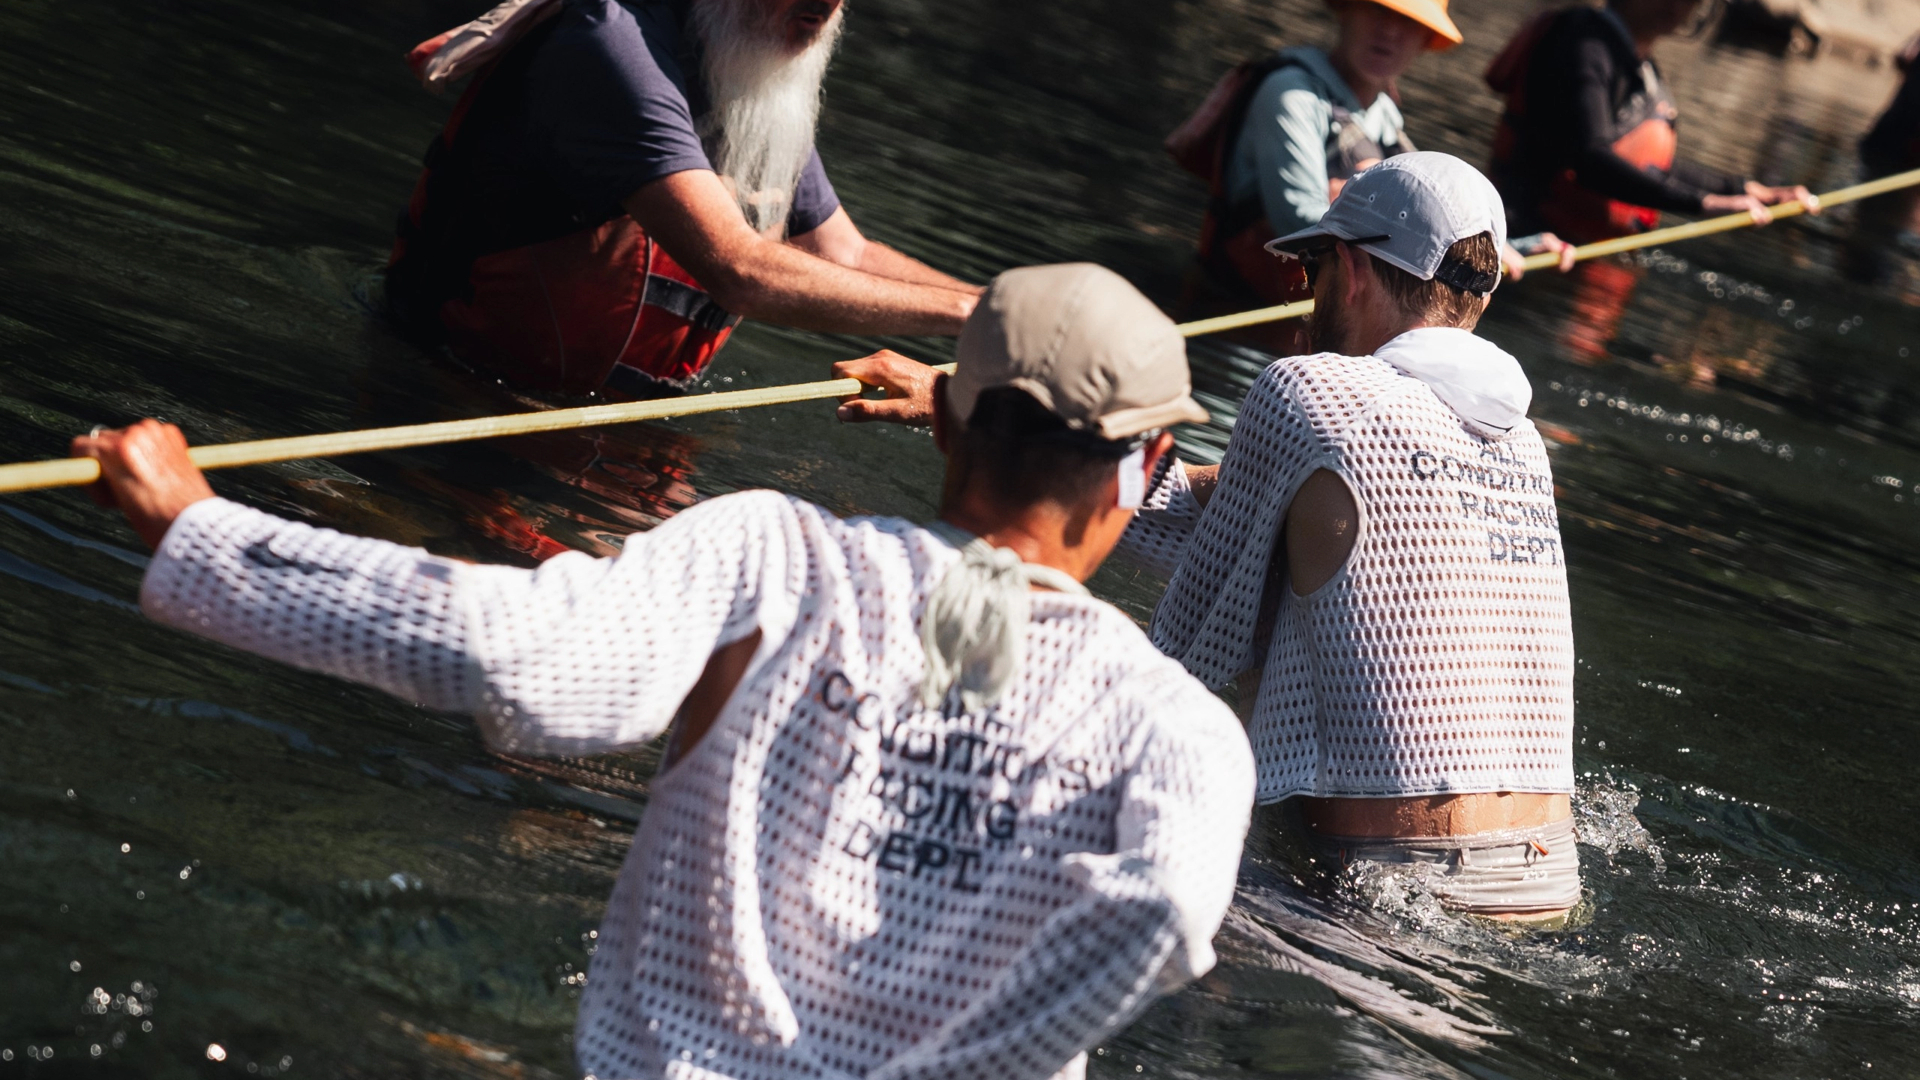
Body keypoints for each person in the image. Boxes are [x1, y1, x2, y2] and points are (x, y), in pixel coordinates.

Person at [74, 263, 1255, 1080]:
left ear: (943, 421)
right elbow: (1159, 914)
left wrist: (206, 534)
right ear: (1142, 469)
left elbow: (520, 660)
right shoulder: (1180, 728)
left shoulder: (771, 555)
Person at [840, 154, 1581, 920]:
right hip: (1548, 877)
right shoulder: (1516, 438)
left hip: (1378, 889)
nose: (1306, 291)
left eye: (1312, 268)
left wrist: (977, 429)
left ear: (1353, 269)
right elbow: (1231, 497)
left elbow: (1185, 653)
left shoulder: (1312, 389)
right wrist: (966, 406)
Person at [385, 0, 982, 400]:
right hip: (450, 404)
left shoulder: (744, 73)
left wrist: (1005, 306)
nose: (825, 4)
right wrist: (975, 320)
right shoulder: (612, 48)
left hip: (615, 435)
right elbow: (739, 271)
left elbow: (844, 255)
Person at [1166, 0, 1570, 330]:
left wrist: (1502, 248)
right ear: (1345, 9)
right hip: (1231, 316)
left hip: (1321, 328)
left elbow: (1425, 222)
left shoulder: (1383, 113)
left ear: (1425, 40)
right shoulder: (1290, 95)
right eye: (1379, 11)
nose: (1390, 31)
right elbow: (1300, 223)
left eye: (1408, 22)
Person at [1485, 0, 1815, 245]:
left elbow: (1648, 165)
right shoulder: (1582, 44)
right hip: (1526, 236)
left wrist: (1744, 189)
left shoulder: (1638, 63)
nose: (1681, 5)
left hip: (1581, 246)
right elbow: (1590, 158)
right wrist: (1704, 204)